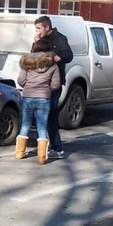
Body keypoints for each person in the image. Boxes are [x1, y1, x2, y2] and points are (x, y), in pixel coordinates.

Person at [32, 15, 73, 159]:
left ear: (47, 27)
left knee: (50, 115)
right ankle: (42, 146)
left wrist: (59, 57)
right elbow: (34, 56)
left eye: (39, 28)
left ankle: (57, 147)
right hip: (40, 83)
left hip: (54, 84)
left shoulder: (60, 39)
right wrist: (35, 44)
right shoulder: (40, 40)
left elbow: (69, 55)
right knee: (39, 115)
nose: (37, 31)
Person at [16, 37, 61, 164]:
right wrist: (47, 90)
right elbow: (56, 84)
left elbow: (20, 80)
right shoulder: (52, 64)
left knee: (25, 124)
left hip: (28, 96)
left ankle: (20, 153)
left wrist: (28, 86)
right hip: (44, 98)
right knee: (42, 126)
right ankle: (41, 157)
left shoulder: (27, 62)